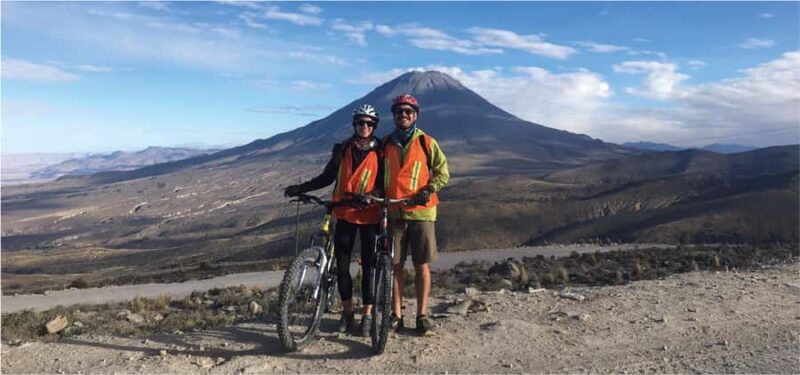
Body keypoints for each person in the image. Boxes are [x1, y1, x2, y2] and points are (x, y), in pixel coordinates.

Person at [284, 104, 383, 336]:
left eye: (369, 123)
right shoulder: (343, 150)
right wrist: (301, 188)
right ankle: (347, 314)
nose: (364, 127)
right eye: (361, 122)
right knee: (342, 268)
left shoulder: (381, 151)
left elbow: (384, 183)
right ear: (354, 125)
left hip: (369, 215)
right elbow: (327, 177)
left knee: (369, 268)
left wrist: (372, 197)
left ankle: (367, 316)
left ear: (374, 126)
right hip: (344, 213)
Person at [382, 94, 450, 336]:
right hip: (395, 211)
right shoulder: (386, 143)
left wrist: (429, 189)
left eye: (408, 112)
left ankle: (422, 315)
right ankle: (396, 315)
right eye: (399, 111)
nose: (403, 115)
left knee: (421, 265)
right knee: (395, 266)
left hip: (422, 212)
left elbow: (443, 173)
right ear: (394, 115)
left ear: (416, 115)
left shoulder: (427, 142)